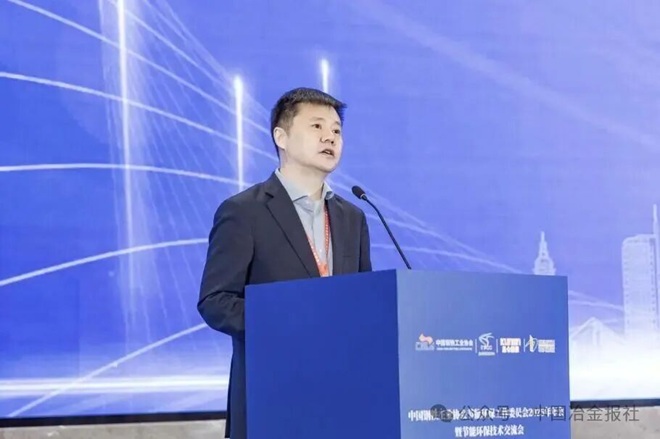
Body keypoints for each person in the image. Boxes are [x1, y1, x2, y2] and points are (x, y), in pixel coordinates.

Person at [197, 87, 373, 439]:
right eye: (317, 126)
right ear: (282, 137)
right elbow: (216, 301)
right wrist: (290, 323)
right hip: (271, 394)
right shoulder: (244, 211)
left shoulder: (353, 217)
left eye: (337, 130)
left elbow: (364, 300)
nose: (330, 137)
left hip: (340, 398)